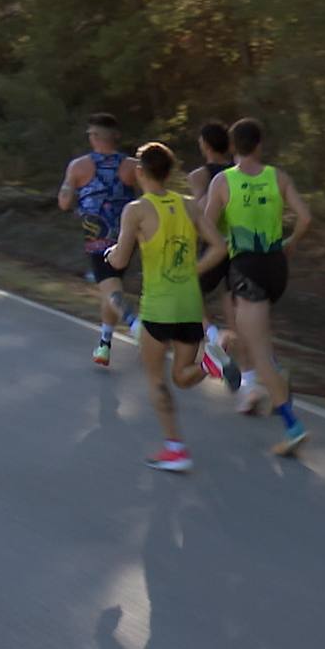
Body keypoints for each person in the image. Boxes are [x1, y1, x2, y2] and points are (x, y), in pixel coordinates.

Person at [104, 142, 229, 471]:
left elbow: (120, 259)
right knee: (183, 375)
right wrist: (191, 271)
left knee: (157, 380)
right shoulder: (189, 206)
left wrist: (110, 254)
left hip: (159, 308)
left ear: (141, 172)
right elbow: (219, 247)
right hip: (189, 304)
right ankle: (209, 366)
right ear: (170, 172)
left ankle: (176, 448)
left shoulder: (136, 210)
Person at [202, 117, 311, 455]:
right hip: (277, 268)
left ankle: (292, 426)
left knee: (257, 351)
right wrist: (291, 241)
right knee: (260, 338)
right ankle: (277, 373)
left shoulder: (223, 181)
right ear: (260, 144)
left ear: (233, 147)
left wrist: (219, 245)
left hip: (247, 270)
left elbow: (206, 222)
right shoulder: (278, 177)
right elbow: (306, 217)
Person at [58, 113, 141, 366]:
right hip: (127, 235)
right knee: (112, 286)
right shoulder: (132, 166)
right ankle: (104, 344)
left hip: (96, 237)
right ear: (115, 136)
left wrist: (73, 190)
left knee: (110, 288)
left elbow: (63, 203)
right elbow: (150, 197)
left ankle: (135, 325)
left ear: (94, 137)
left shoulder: (78, 166)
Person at [186, 121, 238, 387]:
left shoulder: (199, 175)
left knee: (189, 289)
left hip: (214, 243)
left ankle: (213, 336)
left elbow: (201, 209)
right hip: (240, 245)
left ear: (205, 145)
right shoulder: (238, 173)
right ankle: (249, 377)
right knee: (231, 300)